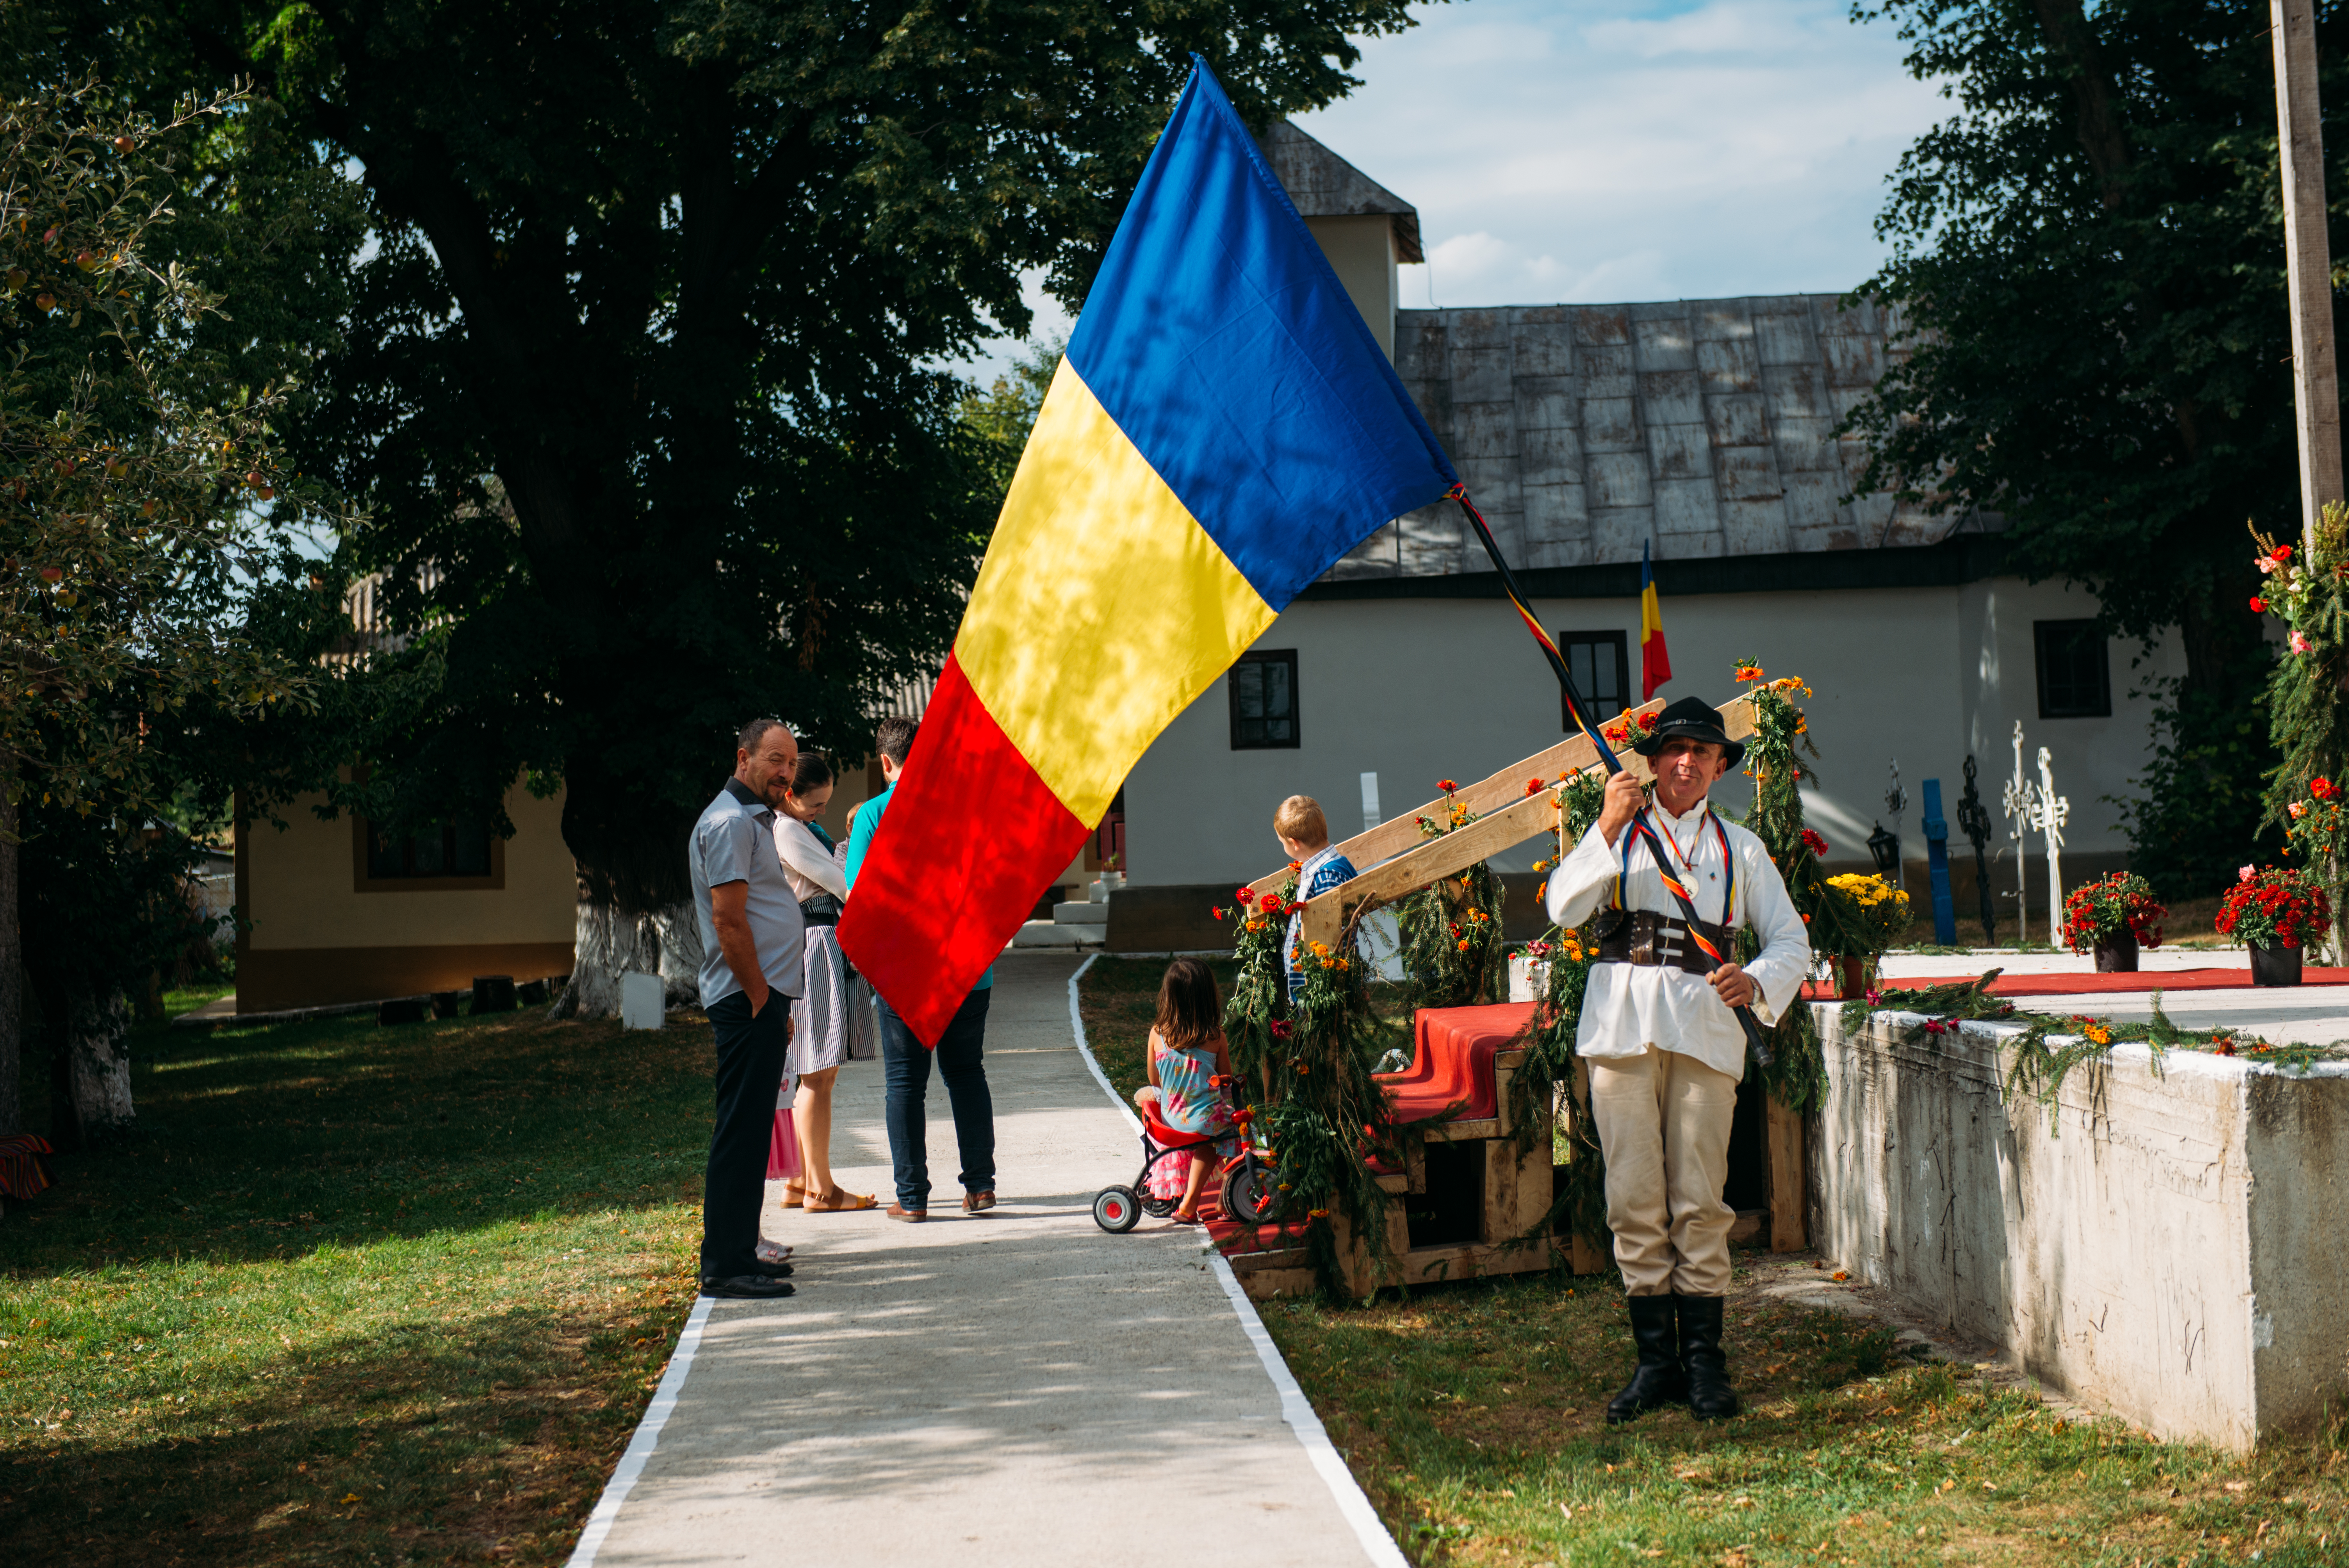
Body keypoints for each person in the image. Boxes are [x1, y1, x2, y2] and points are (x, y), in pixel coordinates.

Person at [1543, 696, 1809, 1422]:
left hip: (1703, 1029)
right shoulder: (1618, 837)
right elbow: (1562, 908)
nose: (1686, 762)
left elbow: (1791, 941)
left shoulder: (1742, 848)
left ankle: (1704, 1364)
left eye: (1702, 751)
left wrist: (1754, 979)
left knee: (1699, 1200)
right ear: (1653, 761)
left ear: (1720, 766)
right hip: (1621, 1026)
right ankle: (1653, 1362)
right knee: (1632, 1198)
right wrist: (1604, 825)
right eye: (1674, 749)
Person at [843, 715, 996, 1221]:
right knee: (967, 1074)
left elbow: (859, 898)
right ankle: (980, 1187)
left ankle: (912, 1199)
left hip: (906, 972)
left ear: (885, 762)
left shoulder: (871, 816)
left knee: (905, 1084)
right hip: (969, 968)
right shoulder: (964, 811)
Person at [689, 716, 810, 1299]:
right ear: (744, 759)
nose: (786, 773)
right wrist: (763, 997)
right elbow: (728, 920)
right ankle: (724, 1265)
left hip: (761, 998)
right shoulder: (731, 822)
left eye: (791, 763)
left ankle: (741, 1251)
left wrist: (775, 998)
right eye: (775, 761)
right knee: (740, 1132)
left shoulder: (756, 820)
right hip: (745, 1000)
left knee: (753, 1129)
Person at [771, 752, 875, 1212]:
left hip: (815, 945)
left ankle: (799, 1180)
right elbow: (842, 884)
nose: (822, 813)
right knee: (818, 1073)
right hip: (815, 946)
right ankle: (821, 1188)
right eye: (816, 804)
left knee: (816, 1070)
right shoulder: (789, 830)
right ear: (791, 795)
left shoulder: (799, 827)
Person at [1132, 957, 1236, 1224]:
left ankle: (1225, 1199)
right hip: (1203, 1120)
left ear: (1169, 997)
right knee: (1229, 1130)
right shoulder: (1216, 1036)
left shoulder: (1157, 1033)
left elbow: (1154, 1080)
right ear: (1207, 996)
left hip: (1170, 1119)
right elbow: (1227, 1079)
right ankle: (1193, 1204)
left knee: (1215, 1129)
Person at [1276, 795, 1356, 1002]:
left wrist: (1316, 993)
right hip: (1314, 985)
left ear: (1294, 843)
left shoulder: (1327, 876)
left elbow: (1329, 937)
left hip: (1318, 990)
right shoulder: (1324, 867)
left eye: (1281, 841)